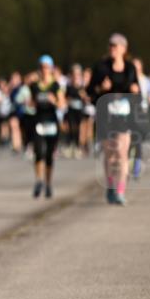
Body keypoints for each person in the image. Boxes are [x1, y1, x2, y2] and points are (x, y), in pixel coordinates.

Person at [88, 33, 140, 205]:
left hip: (124, 116)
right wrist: (100, 88)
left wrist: (134, 90)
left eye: (116, 45)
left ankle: (120, 190)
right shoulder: (101, 67)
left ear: (124, 49)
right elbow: (89, 91)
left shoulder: (130, 68)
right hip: (105, 115)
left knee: (122, 153)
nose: (113, 48)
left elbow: (136, 91)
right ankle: (110, 185)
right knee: (110, 155)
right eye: (110, 45)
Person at [28, 55, 66, 198]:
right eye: (42, 67)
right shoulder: (34, 86)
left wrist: (54, 101)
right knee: (38, 152)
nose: (44, 70)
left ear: (51, 69)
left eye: (46, 67)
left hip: (52, 122)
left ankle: (48, 183)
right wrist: (30, 104)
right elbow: (31, 103)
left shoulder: (56, 85)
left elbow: (62, 105)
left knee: (49, 154)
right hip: (38, 121)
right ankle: (38, 180)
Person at [64, 65, 89, 159]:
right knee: (70, 127)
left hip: (79, 110)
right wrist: (68, 100)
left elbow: (86, 99)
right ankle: (70, 146)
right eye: (74, 74)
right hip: (71, 110)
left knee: (78, 128)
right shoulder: (68, 86)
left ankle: (78, 147)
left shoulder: (82, 87)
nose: (76, 76)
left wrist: (84, 96)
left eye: (78, 74)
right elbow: (65, 98)